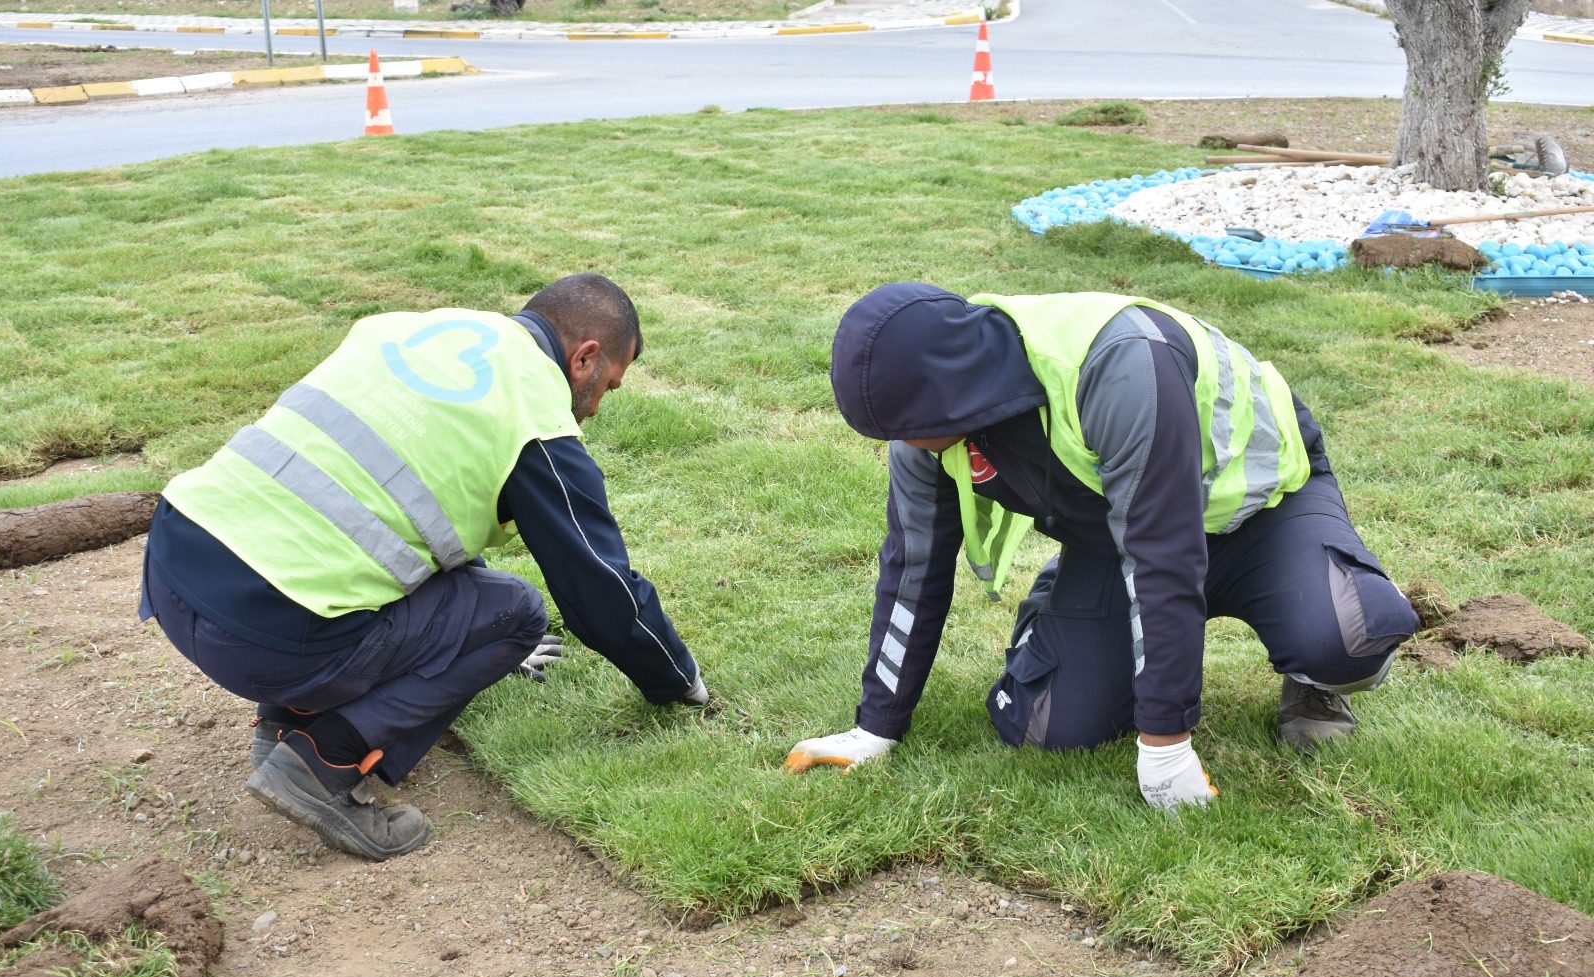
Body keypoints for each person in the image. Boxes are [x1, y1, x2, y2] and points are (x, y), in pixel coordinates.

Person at [784, 283, 1418, 809]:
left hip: (1263, 513)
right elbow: (912, 569)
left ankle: (1311, 678)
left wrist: (1166, 750)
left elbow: (1162, 556)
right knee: (1045, 726)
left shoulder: (1118, 365)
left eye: (910, 431)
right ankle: (1063, 607)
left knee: (1348, 638)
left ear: (955, 393)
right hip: (1122, 540)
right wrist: (876, 727)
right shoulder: (927, 425)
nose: (907, 446)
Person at [139, 273, 706, 860]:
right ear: (585, 358)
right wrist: (677, 679)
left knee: (381, 566)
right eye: (608, 386)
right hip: (263, 637)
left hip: (173, 567)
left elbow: (408, 499)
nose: (597, 406)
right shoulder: (535, 415)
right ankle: (324, 759)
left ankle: (284, 725)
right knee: (516, 614)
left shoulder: (412, 329)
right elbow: (600, 593)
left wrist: (460, 628)